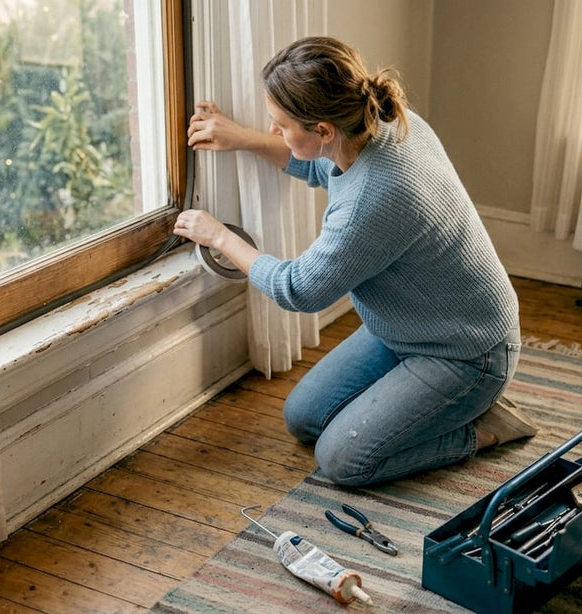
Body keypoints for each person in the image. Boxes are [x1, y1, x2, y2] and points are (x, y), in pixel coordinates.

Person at [173, 36, 536, 488]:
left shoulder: (376, 198)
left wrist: (220, 236)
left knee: (343, 461)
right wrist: (242, 139)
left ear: (323, 129)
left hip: (466, 352)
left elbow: (298, 289)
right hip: (406, 327)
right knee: (303, 418)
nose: (274, 132)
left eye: (280, 125)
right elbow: (319, 165)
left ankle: (484, 428)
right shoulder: (383, 122)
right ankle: (423, 407)